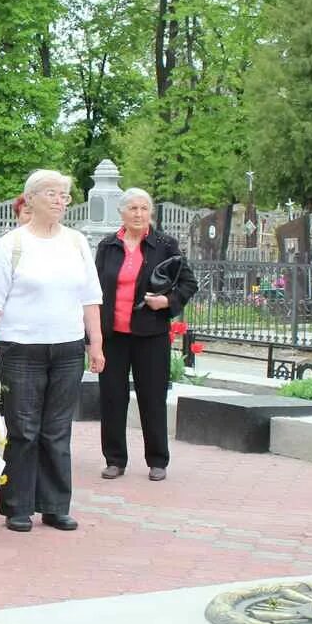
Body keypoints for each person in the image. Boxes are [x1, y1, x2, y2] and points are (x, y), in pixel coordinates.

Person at [0, 170, 104, 533]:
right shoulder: (13, 244)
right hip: (21, 347)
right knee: (23, 428)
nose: (59, 201)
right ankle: (18, 506)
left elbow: (90, 297)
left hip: (67, 346)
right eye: (51, 194)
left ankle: (55, 505)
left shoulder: (76, 243)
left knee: (57, 429)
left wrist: (95, 342)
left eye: (65, 195)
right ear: (31, 199)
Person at [95, 188, 196, 482]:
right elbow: (94, 288)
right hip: (114, 335)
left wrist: (167, 302)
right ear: (122, 213)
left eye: (144, 208)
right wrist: (94, 337)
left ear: (150, 212)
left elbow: (188, 283)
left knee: (151, 397)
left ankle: (157, 460)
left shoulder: (165, 245)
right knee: (112, 398)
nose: (139, 214)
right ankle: (114, 459)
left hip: (150, 334)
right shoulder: (108, 245)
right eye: (133, 209)